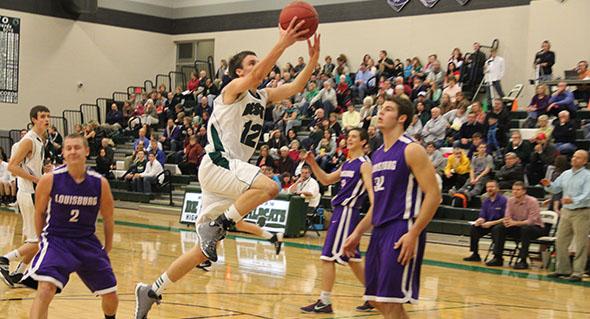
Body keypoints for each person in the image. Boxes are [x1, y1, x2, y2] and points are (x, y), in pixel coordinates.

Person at [134, 20, 320, 318]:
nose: (258, 67)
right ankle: (219, 224)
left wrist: (312, 60)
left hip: (225, 173)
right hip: (219, 163)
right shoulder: (231, 91)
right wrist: (283, 43)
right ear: (238, 71)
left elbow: (296, 86)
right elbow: (259, 74)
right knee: (271, 187)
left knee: (200, 252)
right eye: (251, 63)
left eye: (257, 62)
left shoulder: (263, 96)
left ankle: (152, 289)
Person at [342, 96, 441, 319]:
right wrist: (357, 233)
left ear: (402, 118)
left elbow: (434, 196)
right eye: (381, 108)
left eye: (388, 109)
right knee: (376, 298)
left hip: (401, 228)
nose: (381, 112)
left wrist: (413, 233)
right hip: (379, 230)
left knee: (391, 299)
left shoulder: (411, 149)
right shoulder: (376, 156)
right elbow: (376, 204)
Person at [21, 133, 118, 319]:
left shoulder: (100, 183)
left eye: (77, 147)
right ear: (63, 153)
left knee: (110, 294)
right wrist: (42, 239)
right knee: (46, 288)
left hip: (86, 240)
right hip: (58, 239)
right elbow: (39, 212)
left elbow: (108, 217)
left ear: (87, 151)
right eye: (68, 148)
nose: (73, 151)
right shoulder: (50, 179)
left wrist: (109, 245)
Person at [300, 128, 375, 313]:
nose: (349, 139)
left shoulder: (364, 164)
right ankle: (374, 295)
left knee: (327, 257)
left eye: (354, 137)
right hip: (340, 212)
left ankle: (325, 301)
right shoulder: (348, 163)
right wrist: (312, 164)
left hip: (348, 212)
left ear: (364, 142)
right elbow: (325, 180)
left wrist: (375, 211)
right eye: (348, 137)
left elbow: (373, 193)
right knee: (352, 259)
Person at [1, 105, 51, 287]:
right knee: (38, 239)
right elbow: (12, 166)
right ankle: (4, 259)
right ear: (33, 119)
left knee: (38, 238)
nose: (46, 119)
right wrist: (36, 179)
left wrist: (44, 171)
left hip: (33, 192)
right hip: (28, 193)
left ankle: (18, 274)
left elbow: (29, 165)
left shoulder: (40, 140)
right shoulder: (28, 140)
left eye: (48, 116)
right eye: (42, 116)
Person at [542, 150, 590, 282]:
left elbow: (587, 194)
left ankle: (578, 272)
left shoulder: (587, 176)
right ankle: (562, 269)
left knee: (581, 243)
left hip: (582, 211)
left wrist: (573, 199)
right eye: (574, 157)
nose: (574, 159)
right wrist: (548, 185)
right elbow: (556, 188)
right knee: (560, 240)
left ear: (585, 161)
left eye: (579, 158)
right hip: (566, 211)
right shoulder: (565, 174)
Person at [486, 181, 545, 270]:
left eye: (518, 190)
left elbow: (531, 221)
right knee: (498, 228)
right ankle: (497, 257)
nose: (515, 192)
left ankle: (523, 260)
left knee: (526, 229)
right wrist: (508, 222)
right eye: (513, 190)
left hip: (535, 228)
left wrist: (515, 223)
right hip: (517, 226)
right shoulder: (510, 200)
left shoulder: (533, 201)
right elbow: (507, 216)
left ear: (524, 191)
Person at [463, 180, 507, 262]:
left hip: (499, 224)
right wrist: (480, 220)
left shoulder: (504, 201)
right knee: (474, 228)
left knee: (497, 229)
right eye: (488, 187)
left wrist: (492, 223)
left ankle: (498, 257)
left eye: (492, 187)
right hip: (487, 224)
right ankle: (475, 254)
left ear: (497, 189)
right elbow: (483, 215)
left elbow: (506, 218)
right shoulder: (486, 201)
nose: (489, 189)